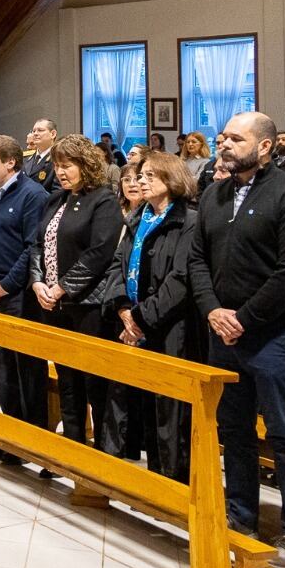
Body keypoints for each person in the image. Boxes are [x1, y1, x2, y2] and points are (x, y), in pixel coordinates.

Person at [188, 112, 285, 568]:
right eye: (222, 137)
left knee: (284, 434)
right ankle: (240, 515)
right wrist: (211, 310)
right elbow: (197, 258)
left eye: (235, 138)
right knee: (234, 430)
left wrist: (243, 318)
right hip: (223, 332)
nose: (224, 144)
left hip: (273, 334)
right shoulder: (214, 193)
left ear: (265, 147)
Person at [106, 151, 200, 481]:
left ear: (171, 179)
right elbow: (119, 264)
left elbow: (179, 279)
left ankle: (174, 482)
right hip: (135, 321)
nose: (141, 181)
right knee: (146, 403)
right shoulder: (139, 217)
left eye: (149, 176)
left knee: (170, 409)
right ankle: (154, 480)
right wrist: (122, 309)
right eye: (140, 176)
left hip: (171, 325)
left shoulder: (187, 220)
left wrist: (140, 319)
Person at [30, 134, 122, 452]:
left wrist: (62, 287)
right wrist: (38, 282)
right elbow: (37, 244)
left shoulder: (104, 200)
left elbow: (100, 252)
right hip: (54, 303)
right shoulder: (56, 199)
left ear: (86, 165)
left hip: (88, 305)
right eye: (57, 166)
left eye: (67, 166)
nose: (60, 172)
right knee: (67, 379)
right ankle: (72, 445)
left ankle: (104, 453)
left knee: (94, 382)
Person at [0, 135, 50, 450]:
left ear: (10, 162)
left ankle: (34, 438)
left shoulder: (33, 195)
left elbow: (34, 248)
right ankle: (12, 432)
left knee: (26, 368)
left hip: (19, 296)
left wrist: (6, 284)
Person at [22, 119, 60, 192]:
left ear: (53, 134)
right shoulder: (26, 158)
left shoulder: (58, 159)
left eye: (40, 130)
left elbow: (57, 193)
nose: (35, 133)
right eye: (34, 131)